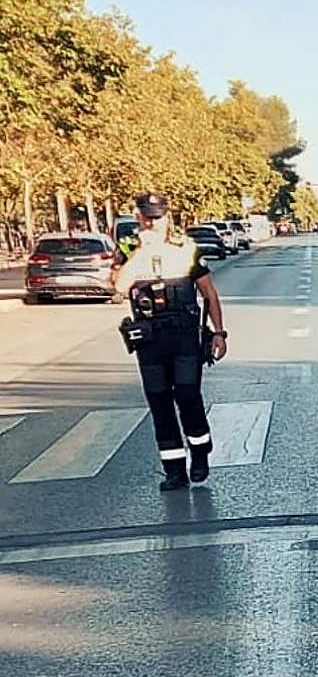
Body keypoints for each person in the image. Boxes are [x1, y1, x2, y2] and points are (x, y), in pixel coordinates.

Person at [109, 193, 228, 491]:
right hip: (149, 339)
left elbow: (209, 293)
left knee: (188, 396)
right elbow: (120, 286)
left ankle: (200, 451)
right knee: (159, 402)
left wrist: (219, 332)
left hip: (184, 336)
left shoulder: (185, 247)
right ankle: (174, 470)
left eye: (157, 217)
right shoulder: (128, 248)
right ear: (138, 217)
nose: (152, 222)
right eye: (147, 217)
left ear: (167, 217)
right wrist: (140, 252)